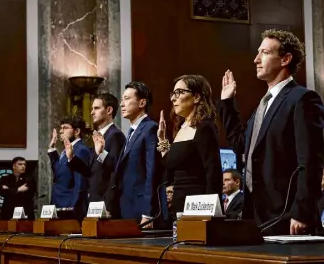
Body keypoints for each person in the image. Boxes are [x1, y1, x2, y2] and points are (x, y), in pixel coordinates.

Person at [218, 29, 324, 235]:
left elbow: (311, 161)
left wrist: (302, 211)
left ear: (285, 59)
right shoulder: (262, 106)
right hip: (256, 213)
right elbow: (240, 145)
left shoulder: (303, 99)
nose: (256, 59)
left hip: (287, 215)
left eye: (265, 53)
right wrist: (227, 103)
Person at [157, 75, 223, 216]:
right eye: (173, 93)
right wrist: (163, 141)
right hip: (179, 203)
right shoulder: (180, 128)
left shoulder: (205, 127)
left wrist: (211, 211)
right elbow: (171, 173)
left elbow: (213, 172)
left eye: (179, 92)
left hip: (198, 205)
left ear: (197, 97)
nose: (173, 98)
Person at [105, 81, 164, 228]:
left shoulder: (150, 128)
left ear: (142, 102)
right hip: (125, 207)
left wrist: (148, 213)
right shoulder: (132, 131)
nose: (122, 104)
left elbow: (152, 172)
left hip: (141, 210)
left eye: (127, 98)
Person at [68, 93, 125, 203]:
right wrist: (72, 158)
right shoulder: (99, 135)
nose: (91, 112)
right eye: (92, 108)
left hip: (106, 202)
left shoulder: (116, 135)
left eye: (96, 108)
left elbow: (116, 170)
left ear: (109, 110)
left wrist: (101, 153)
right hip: (95, 200)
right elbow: (92, 171)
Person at [48, 115, 91, 220]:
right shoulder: (67, 149)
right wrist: (52, 149)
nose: (61, 131)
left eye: (65, 128)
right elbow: (59, 174)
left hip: (70, 207)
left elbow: (80, 182)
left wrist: (75, 207)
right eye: (61, 128)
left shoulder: (81, 150)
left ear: (76, 131)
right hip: (59, 204)